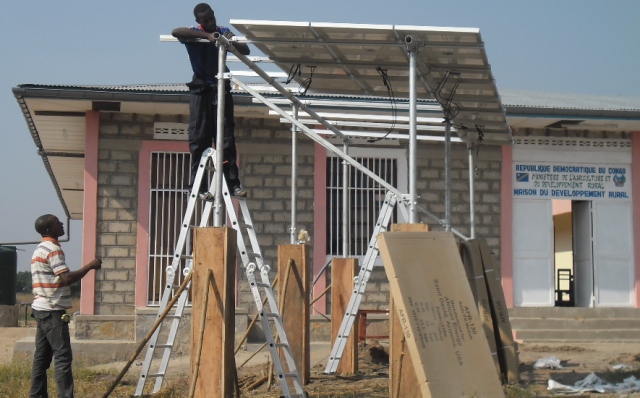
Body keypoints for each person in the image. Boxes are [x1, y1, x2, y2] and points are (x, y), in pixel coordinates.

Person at [172, 3, 251, 200]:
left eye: (210, 18)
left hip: (221, 87)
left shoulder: (223, 31)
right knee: (200, 139)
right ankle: (198, 186)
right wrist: (205, 36)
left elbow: (246, 50)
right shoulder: (194, 33)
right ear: (199, 22)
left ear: (214, 15)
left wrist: (228, 41)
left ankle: (232, 184)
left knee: (225, 139)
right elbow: (175, 32)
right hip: (201, 89)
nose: (209, 22)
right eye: (204, 21)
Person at [29, 214, 102, 398]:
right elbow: (66, 278)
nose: (62, 225)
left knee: (42, 358)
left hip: (41, 308)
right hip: (52, 310)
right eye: (57, 223)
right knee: (62, 357)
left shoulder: (39, 249)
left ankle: (36, 395)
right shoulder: (53, 250)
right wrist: (90, 266)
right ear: (48, 229)